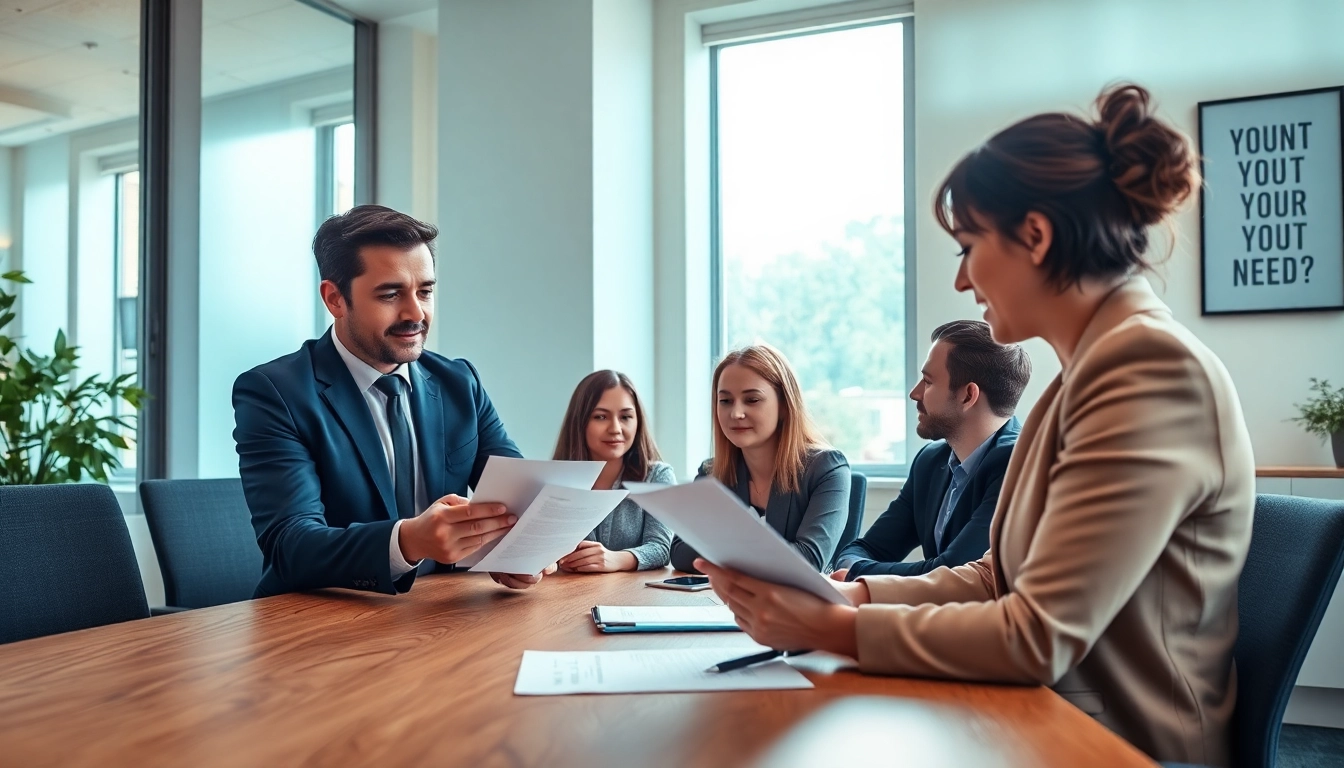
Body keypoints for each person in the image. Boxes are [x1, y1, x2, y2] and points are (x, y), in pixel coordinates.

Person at [698, 83, 1254, 768]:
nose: (962, 279)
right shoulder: (1085, 377)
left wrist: (838, 627)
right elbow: (998, 578)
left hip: (1112, 742)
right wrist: (853, 593)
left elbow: (1035, 637)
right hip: (1048, 714)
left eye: (966, 247)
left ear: (1037, 237)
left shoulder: (1148, 373)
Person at [233, 204, 548, 598]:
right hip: (321, 623)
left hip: (441, 612)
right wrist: (408, 541)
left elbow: (519, 498)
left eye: (425, 291)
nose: (416, 313)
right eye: (390, 294)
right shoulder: (274, 392)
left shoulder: (459, 382)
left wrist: (522, 550)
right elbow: (290, 545)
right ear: (335, 299)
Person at [832, 320, 1028, 580]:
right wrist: (850, 567)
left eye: (927, 381)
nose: (914, 393)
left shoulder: (1017, 463)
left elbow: (951, 574)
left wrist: (853, 573)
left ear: (968, 395)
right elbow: (867, 548)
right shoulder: (930, 460)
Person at [670, 344, 850, 574]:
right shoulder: (712, 472)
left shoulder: (827, 468)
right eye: (725, 401)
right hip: (723, 603)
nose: (736, 413)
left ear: (785, 405)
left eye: (752, 400)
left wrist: (720, 545)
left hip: (798, 606)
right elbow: (681, 553)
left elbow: (807, 561)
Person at [551, 370, 676, 572]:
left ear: (638, 422)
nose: (615, 428)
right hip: (567, 594)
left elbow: (661, 548)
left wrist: (615, 560)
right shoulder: (554, 481)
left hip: (633, 596)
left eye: (626, 416)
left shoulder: (657, 476)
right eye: (601, 417)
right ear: (580, 422)